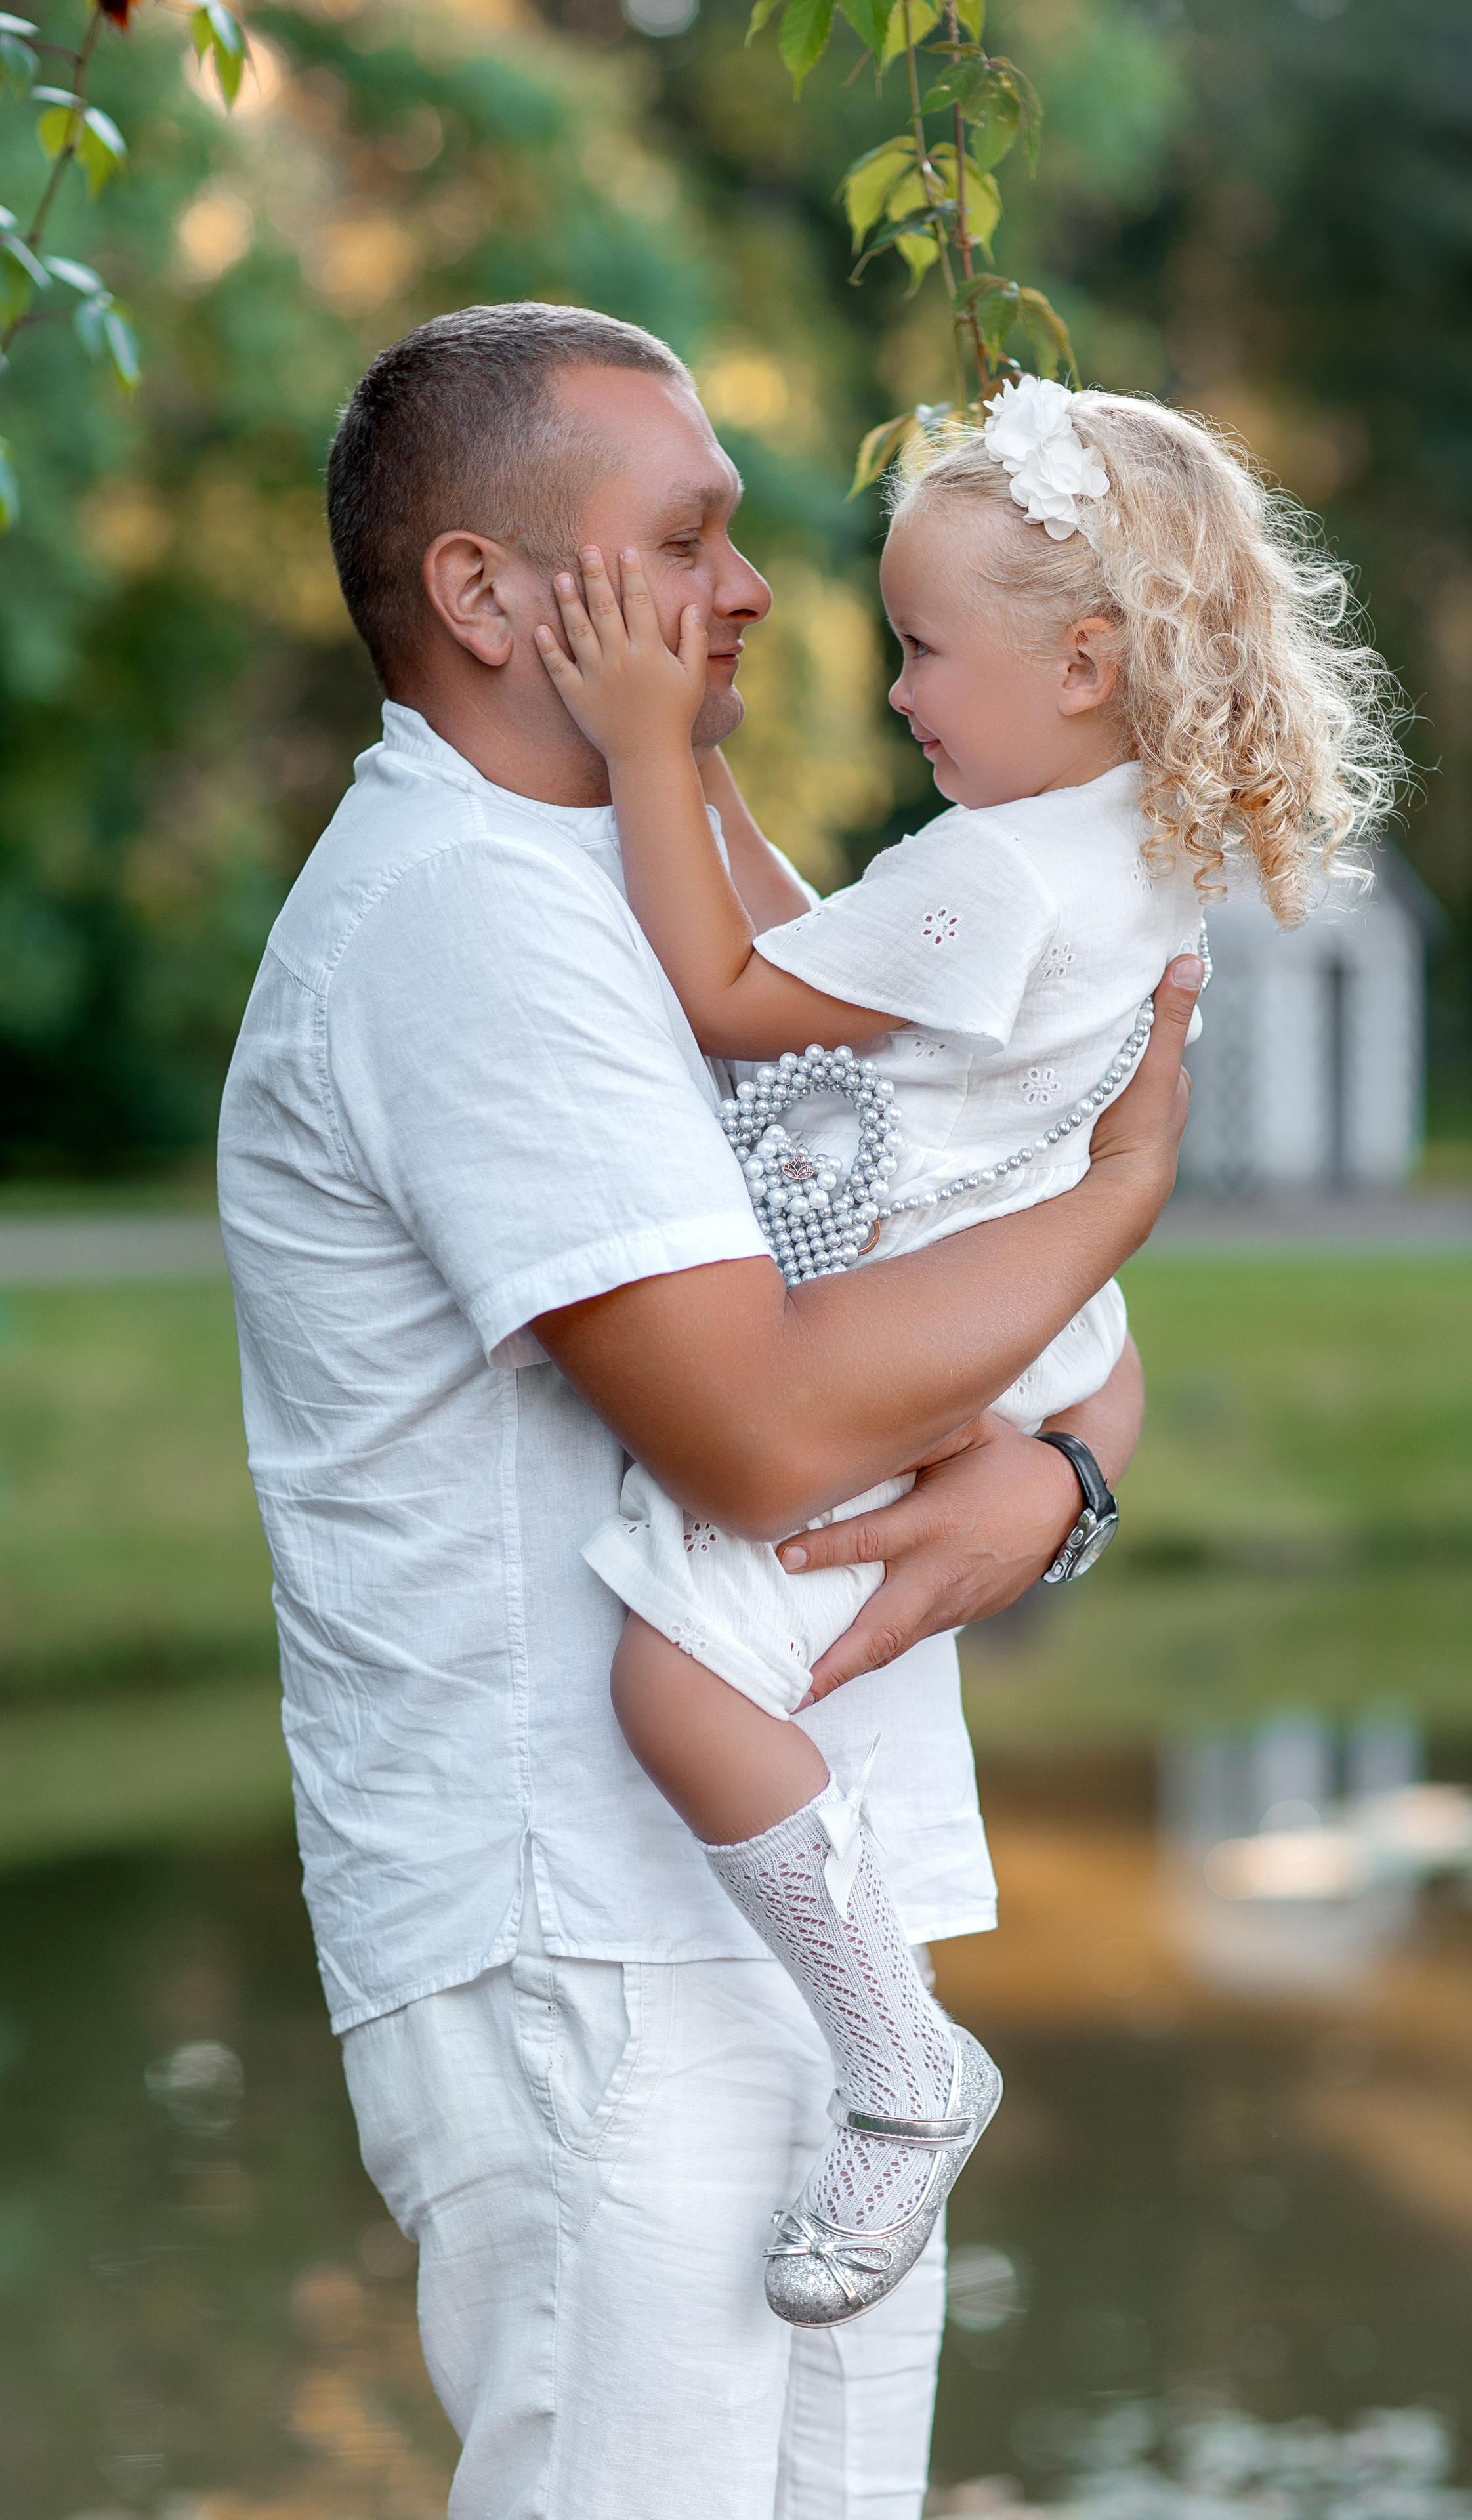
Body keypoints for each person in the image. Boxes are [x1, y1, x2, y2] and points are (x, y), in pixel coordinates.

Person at [217, 303, 1200, 2520]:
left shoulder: (661, 892)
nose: (756, 590)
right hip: (589, 1945)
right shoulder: (468, 917)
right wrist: (1132, 1185)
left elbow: (1042, 1332)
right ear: (485, 598)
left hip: (806, 1946)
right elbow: (759, 1433)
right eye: (687, 538)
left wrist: (1058, 1487)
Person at [534, 377, 1400, 2337]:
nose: (906, 692)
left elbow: (739, 997)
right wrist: (707, 793)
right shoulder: (1103, 846)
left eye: (928, 649)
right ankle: (889, 2016)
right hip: (1026, 1306)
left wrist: (647, 741)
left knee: (678, 1687)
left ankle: (903, 2064)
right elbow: (835, 959)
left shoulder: (1002, 864)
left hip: (898, 1300)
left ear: (1084, 660)